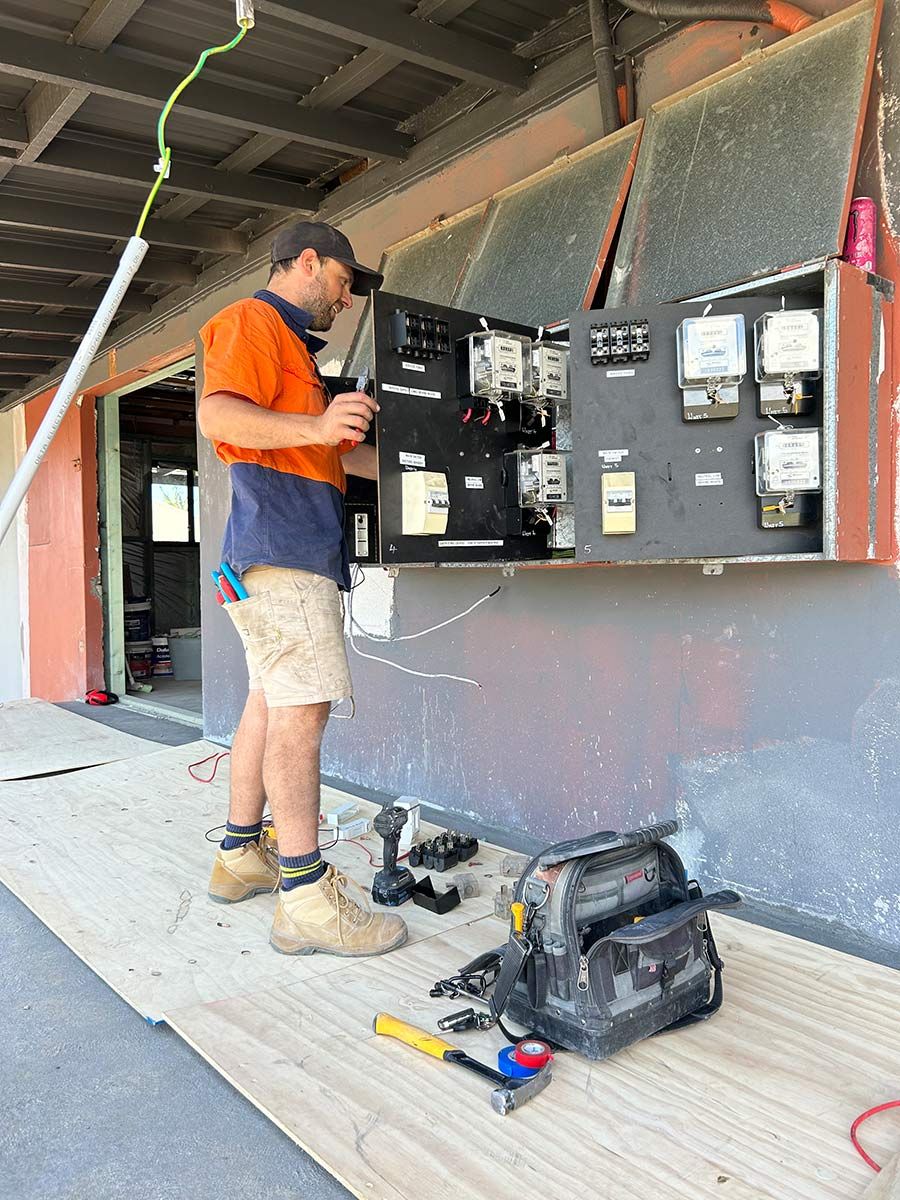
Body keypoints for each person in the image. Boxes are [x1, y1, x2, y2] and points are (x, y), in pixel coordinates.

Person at [197, 220, 407, 958]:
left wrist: (427, 469)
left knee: (270, 699)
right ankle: (306, 893)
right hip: (284, 553)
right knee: (302, 711)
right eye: (346, 282)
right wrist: (318, 425)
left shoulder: (298, 358)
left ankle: (239, 856)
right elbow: (217, 415)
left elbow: (330, 458)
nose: (348, 299)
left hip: (272, 554)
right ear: (308, 262)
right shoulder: (251, 321)